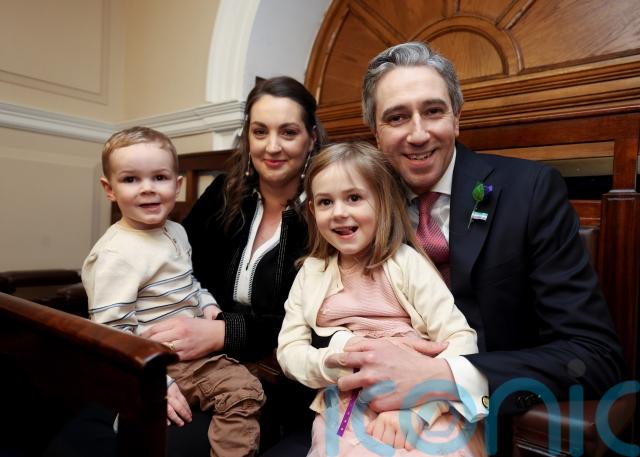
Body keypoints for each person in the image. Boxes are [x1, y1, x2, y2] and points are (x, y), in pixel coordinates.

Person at [324, 42, 626, 454]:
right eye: (397, 117)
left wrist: (443, 376)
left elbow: (594, 356)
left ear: (457, 118)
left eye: (433, 111)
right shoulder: (354, 210)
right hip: (367, 412)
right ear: (376, 135)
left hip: (489, 419)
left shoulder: (530, 191)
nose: (418, 133)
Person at [139, 76, 328, 454]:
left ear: (311, 139)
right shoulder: (223, 193)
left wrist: (225, 332)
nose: (272, 146)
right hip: (193, 360)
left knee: (166, 444)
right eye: (260, 131)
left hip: (272, 381)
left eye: (288, 132)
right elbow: (180, 270)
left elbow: (318, 320)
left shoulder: (327, 211)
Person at [277, 142, 487, 456]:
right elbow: (289, 351)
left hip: (423, 402)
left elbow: (460, 338)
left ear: (383, 202)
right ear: (312, 211)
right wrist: (337, 364)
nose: (339, 213)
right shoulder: (311, 273)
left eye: (354, 198)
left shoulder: (407, 264)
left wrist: (416, 409)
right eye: (325, 202)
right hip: (347, 405)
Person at [82, 126, 265, 457]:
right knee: (243, 394)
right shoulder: (115, 255)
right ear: (109, 189)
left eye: (160, 177)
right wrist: (154, 382)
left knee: (255, 379)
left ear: (177, 185)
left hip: (194, 348)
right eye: (131, 179)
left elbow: (190, 283)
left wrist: (208, 306)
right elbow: (111, 333)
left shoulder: (176, 232)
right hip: (158, 361)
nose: (148, 189)